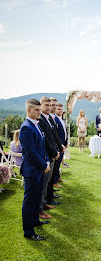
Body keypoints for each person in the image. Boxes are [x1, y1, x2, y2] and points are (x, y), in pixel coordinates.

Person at [19, 99, 50, 241]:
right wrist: (44, 165)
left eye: (39, 109)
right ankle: (29, 231)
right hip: (32, 170)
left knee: (37, 198)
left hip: (40, 169)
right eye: (37, 110)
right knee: (29, 201)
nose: (39, 112)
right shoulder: (26, 127)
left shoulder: (36, 125)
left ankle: (35, 221)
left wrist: (46, 160)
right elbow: (31, 153)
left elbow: (41, 146)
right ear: (29, 110)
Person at [38, 97, 60, 219]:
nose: (49, 107)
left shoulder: (46, 119)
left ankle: (44, 203)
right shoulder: (40, 119)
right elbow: (45, 140)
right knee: (43, 184)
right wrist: (53, 152)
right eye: (46, 105)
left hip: (51, 154)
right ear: (41, 106)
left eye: (50, 105)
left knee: (47, 182)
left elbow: (52, 136)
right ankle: (40, 210)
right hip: (46, 155)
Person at [55, 103, 68, 181]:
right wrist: (60, 144)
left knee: (59, 162)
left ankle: (57, 177)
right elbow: (56, 134)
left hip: (63, 143)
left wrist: (66, 143)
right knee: (57, 162)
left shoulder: (62, 119)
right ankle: (55, 179)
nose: (60, 111)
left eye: (61, 109)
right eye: (59, 109)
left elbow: (65, 132)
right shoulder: (55, 119)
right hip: (58, 144)